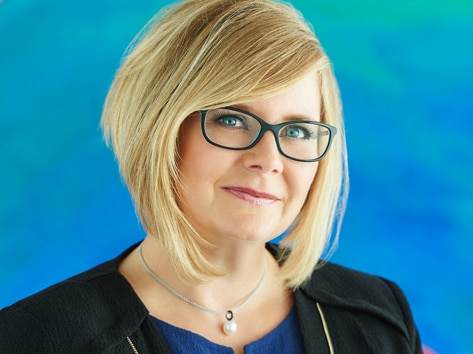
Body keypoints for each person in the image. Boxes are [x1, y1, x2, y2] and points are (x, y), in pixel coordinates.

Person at [0, 0, 423, 353]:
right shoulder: (37, 337)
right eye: (232, 120)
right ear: (160, 130)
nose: (268, 159)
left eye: (296, 131)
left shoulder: (379, 318)